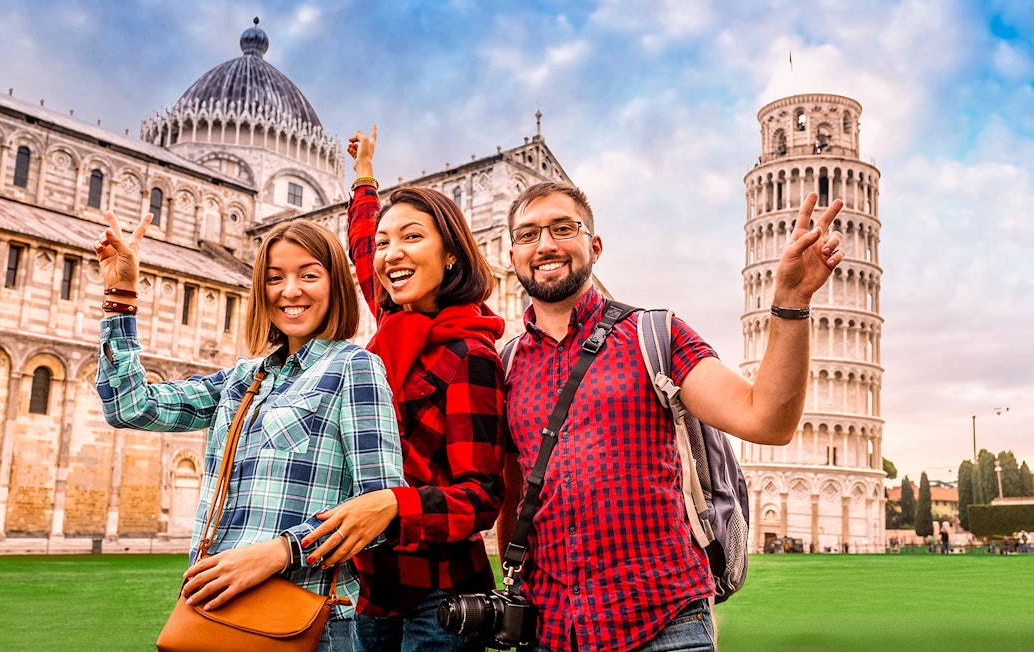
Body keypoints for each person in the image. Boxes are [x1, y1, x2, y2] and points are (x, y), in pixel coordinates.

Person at [496, 182, 844, 652]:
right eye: (529, 234)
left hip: (664, 624)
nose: (546, 245)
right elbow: (511, 497)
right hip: (553, 631)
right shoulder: (507, 365)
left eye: (563, 228)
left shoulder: (655, 334)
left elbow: (766, 420)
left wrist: (791, 301)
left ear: (594, 246)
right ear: (513, 253)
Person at [94, 213, 406, 652]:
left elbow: (382, 508)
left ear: (335, 284)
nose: (290, 290)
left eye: (309, 275)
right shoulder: (243, 379)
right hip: (214, 612)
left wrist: (280, 552)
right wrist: (121, 295)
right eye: (275, 278)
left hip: (304, 622)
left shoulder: (353, 368)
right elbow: (130, 407)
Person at [302, 126, 507, 651]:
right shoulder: (396, 324)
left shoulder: (471, 357)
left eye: (413, 237)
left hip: (439, 601)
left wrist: (394, 506)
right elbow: (365, 242)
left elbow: (480, 498)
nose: (391, 254)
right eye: (388, 243)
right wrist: (365, 175)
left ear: (452, 256)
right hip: (371, 587)